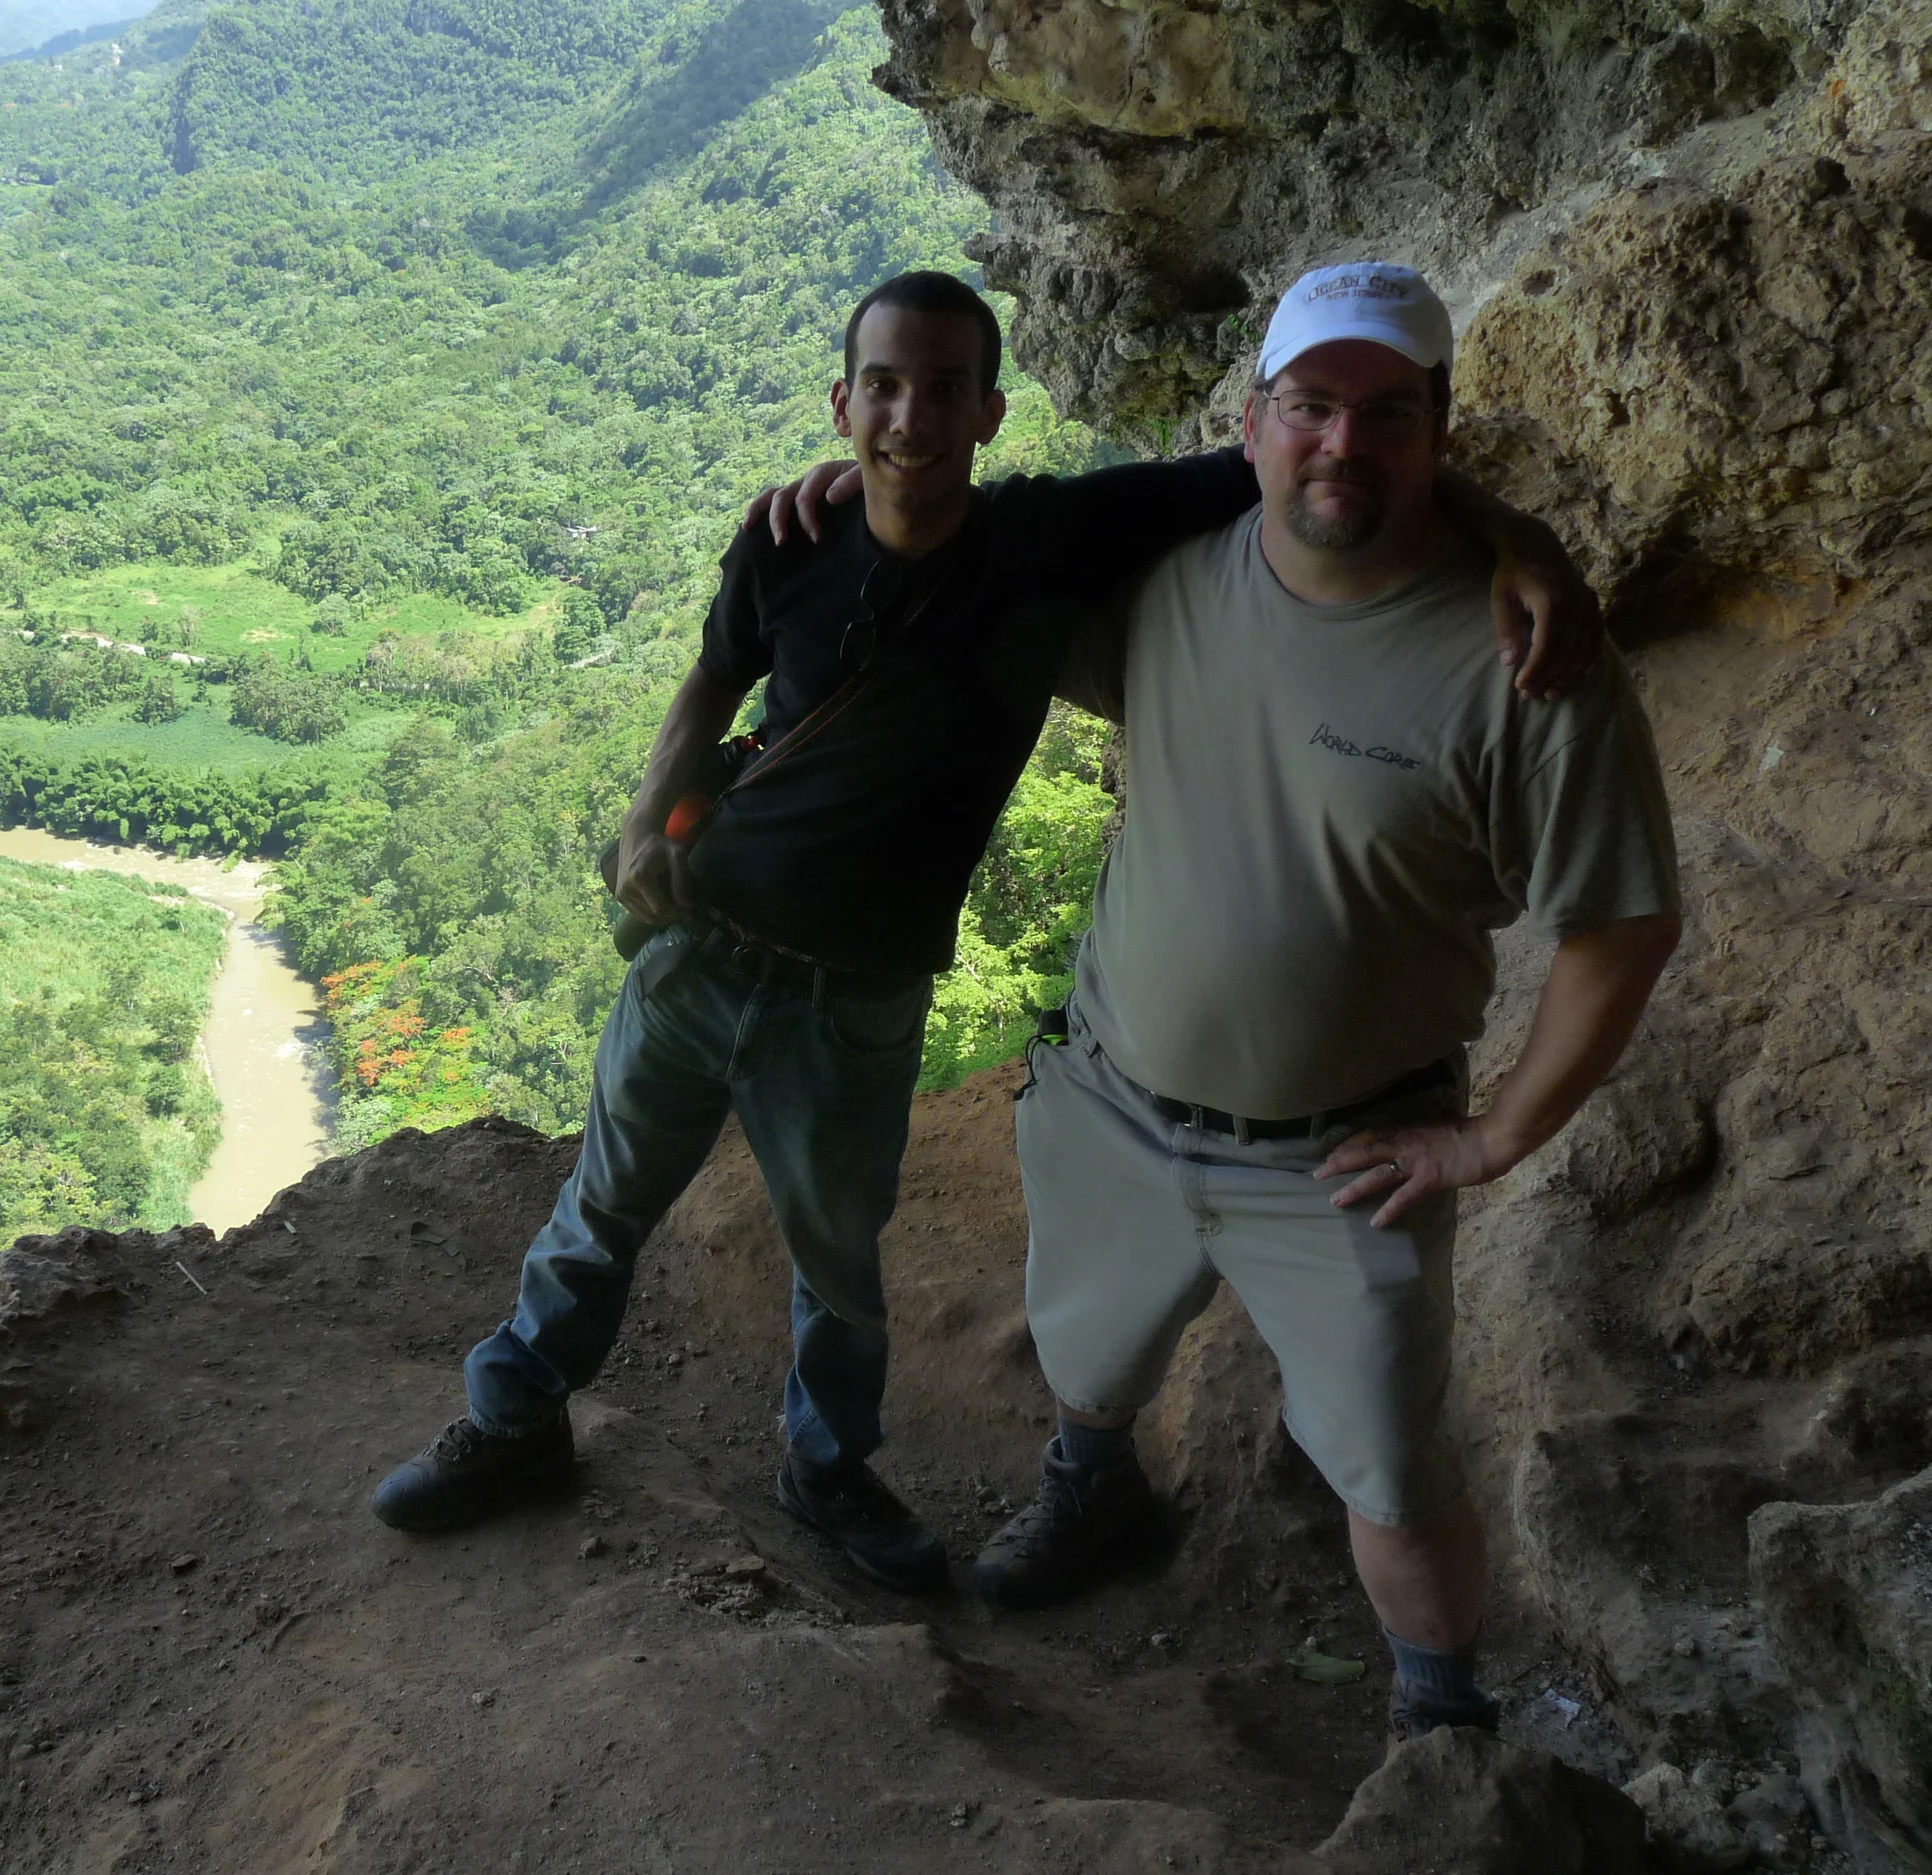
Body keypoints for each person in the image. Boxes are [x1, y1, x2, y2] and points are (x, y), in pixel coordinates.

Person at [369, 269, 1597, 1595]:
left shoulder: (1048, 542)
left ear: (992, 411)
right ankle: (513, 1417)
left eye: (946, 387)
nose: (912, 416)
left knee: (838, 1266)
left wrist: (1520, 536)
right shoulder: (784, 540)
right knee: (600, 1206)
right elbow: (714, 677)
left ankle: (825, 1470)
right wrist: (650, 808)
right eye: (884, 386)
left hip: (859, 996)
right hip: (702, 950)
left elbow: (1314, 456)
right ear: (843, 404)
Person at [969, 262, 1681, 1740]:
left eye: (1386, 414)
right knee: (1087, 1350)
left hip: (1346, 1160)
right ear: (1254, 419)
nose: (1341, 444)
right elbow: (970, 556)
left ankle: (1440, 1718)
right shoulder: (1166, 581)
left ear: (1440, 432)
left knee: (1392, 1471)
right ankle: (1091, 1491)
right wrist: (828, 505)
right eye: (1311, 406)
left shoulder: (1529, 669)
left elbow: (1619, 926)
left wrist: (1488, 1140)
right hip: (1112, 1093)